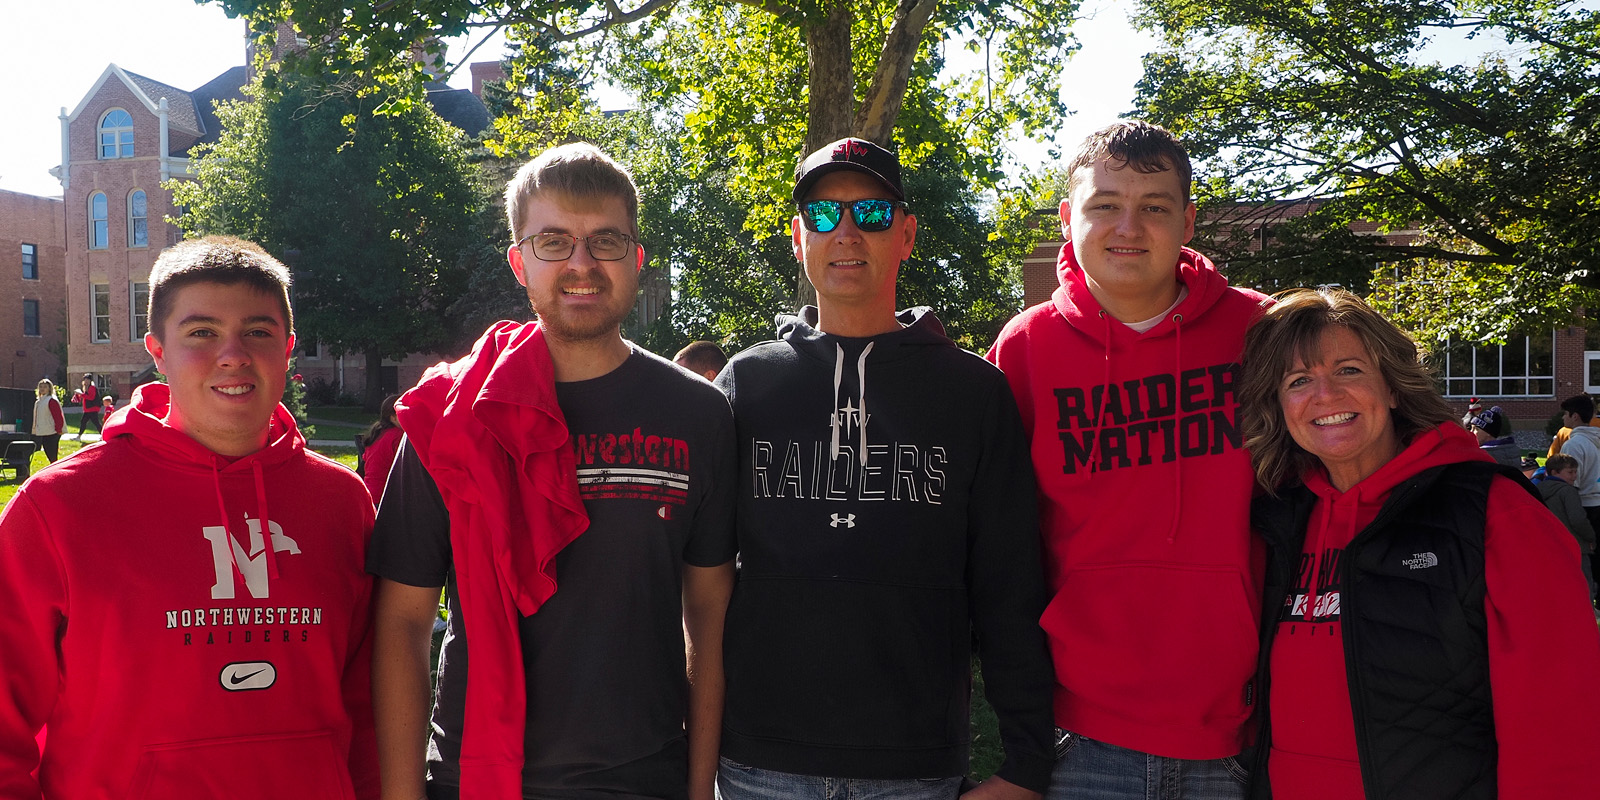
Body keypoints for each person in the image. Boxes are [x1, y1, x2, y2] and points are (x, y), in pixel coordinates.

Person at [368, 142, 737, 800]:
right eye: (554, 242)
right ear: (519, 261)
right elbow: (402, 621)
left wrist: (700, 787)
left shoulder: (697, 413)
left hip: (643, 782)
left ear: (636, 258)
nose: (582, 264)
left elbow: (708, 617)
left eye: (606, 241)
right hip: (478, 778)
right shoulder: (451, 416)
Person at [713, 137, 1055, 800]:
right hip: (760, 763)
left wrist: (1027, 760)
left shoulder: (973, 394)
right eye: (822, 215)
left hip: (913, 767)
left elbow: (1010, 584)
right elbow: (699, 583)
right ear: (797, 237)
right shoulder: (744, 386)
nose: (845, 233)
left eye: (869, 215)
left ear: (905, 235)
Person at [0, 236, 379, 798]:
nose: (233, 354)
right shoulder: (58, 506)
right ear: (157, 350)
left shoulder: (342, 502)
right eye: (201, 332)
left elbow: (368, 701)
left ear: (288, 347)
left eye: (258, 331)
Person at [985, 121, 1269, 798]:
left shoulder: (1262, 332)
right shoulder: (1025, 350)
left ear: (1190, 220)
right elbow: (993, 541)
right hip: (1078, 734)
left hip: (1240, 732)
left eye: (1155, 207)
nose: (1128, 227)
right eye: (1105, 204)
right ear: (1067, 218)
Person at [1239, 287, 1600, 799]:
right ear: (1280, 405)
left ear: (1392, 387)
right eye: (1298, 381)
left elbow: (1562, 716)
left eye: (1348, 370)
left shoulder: (1495, 512)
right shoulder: (1277, 518)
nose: (1325, 395)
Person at [1555, 393, 1600, 602]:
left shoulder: (1573, 445)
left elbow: (1571, 482)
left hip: (1585, 506)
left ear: (1574, 417)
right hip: (1598, 503)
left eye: (1565, 414)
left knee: (1584, 561)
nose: (1563, 418)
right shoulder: (1596, 440)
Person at [1539, 453, 1597, 603]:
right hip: (1576, 546)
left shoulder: (1537, 490)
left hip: (1550, 547)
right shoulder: (1568, 491)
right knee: (1584, 586)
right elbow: (1577, 519)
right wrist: (1590, 537)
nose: (1574, 476)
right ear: (1554, 472)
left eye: (1575, 472)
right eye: (1570, 472)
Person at [357, 394, 403, 503]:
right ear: (393, 417)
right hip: (387, 496)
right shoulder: (398, 436)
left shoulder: (377, 434)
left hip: (369, 494)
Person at [29, 379, 64, 464]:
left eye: (45, 387)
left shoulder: (51, 400)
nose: (42, 389)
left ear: (49, 388)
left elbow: (58, 417)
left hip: (52, 432)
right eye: (40, 387)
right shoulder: (39, 401)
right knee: (49, 454)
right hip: (43, 432)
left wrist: (58, 429)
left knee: (52, 456)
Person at [69, 374, 98, 440]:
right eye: (85, 379)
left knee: (95, 423)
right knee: (84, 422)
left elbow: (91, 397)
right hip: (88, 409)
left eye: (88, 379)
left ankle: (103, 435)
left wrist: (81, 394)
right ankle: (79, 436)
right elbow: (85, 397)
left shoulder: (92, 388)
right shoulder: (86, 388)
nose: (86, 381)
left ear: (91, 380)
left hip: (92, 409)